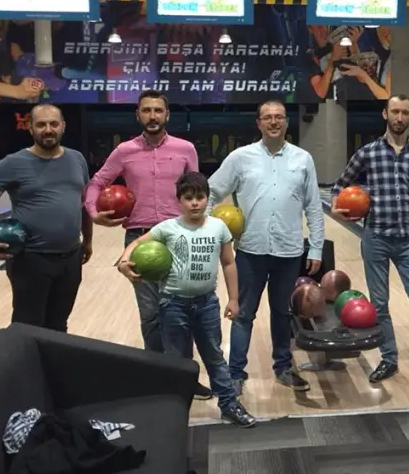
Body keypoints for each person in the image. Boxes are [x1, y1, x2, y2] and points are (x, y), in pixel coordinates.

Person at [84, 90, 211, 400]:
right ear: (138, 115)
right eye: (146, 110)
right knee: (151, 313)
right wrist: (93, 213)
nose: (152, 116)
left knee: (183, 310)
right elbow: (96, 183)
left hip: (179, 236)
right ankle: (157, 377)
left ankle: (184, 377)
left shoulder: (185, 149)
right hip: (139, 237)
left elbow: (197, 189)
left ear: (167, 115)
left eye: (158, 110)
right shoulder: (124, 151)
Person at [117, 172, 256, 427]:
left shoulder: (218, 227)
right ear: (178, 200)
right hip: (173, 304)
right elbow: (136, 242)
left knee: (214, 356)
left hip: (207, 304)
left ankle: (229, 404)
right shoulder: (168, 228)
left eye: (200, 197)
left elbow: (228, 263)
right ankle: (176, 410)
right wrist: (125, 261)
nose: (194, 203)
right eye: (188, 198)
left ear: (208, 199)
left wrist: (234, 299)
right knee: (178, 361)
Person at [207, 99, 325, 396]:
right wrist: (208, 228)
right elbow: (211, 191)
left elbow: (313, 206)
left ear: (287, 122)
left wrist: (316, 248)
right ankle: (235, 373)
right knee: (243, 313)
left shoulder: (303, 159)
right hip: (251, 251)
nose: (274, 122)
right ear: (258, 123)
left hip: (289, 251)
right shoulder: (240, 158)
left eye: (279, 117)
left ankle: (283, 367)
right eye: (268, 117)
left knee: (283, 313)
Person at [332, 95, 409, 389]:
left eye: (405, 113)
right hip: (375, 238)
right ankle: (388, 359)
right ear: (385, 114)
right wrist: (337, 206)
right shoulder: (368, 153)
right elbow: (340, 184)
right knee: (380, 304)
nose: (399, 117)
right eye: (395, 111)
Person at [0, 104, 91, 332]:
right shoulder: (13, 163)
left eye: (53, 124)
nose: (48, 129)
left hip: (71, 257)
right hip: (30, 259)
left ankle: (53, 357)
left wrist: (88, 240)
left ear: (63, 126)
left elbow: (83, 203)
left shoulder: (77, 159)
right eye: (41, 124)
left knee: (59, 324)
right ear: (30, 128)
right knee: (28, 326)